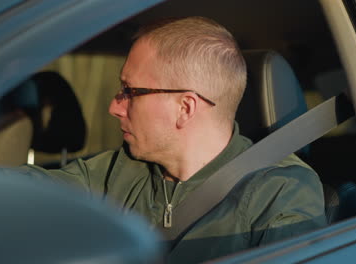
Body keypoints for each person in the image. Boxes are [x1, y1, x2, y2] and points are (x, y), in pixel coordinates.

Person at [21, 17, 326, 263]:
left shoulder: (281, 191)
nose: (115, 107)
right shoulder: (121, 168)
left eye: (130, 91)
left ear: (185, 108)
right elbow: (18, 192)